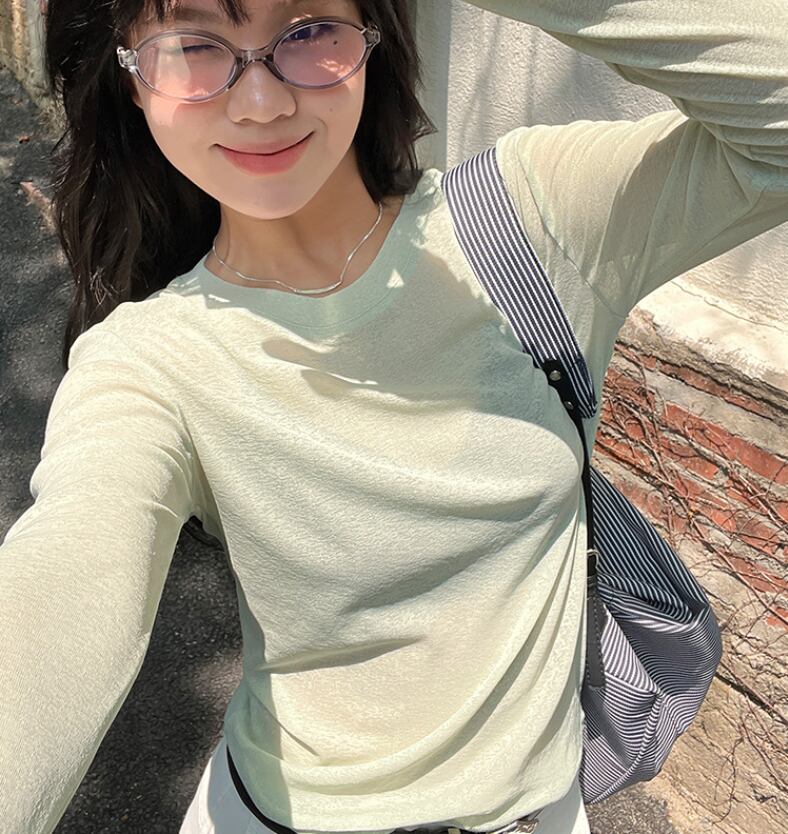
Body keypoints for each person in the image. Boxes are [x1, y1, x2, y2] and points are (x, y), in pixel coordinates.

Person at [1, 0, 786, 833]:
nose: (261, 103)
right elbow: (61, 584)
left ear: (372, 35)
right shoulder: (148, 360)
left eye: (309, 30)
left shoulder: (532, 223)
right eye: (194, 45)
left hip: (543, 813)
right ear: (130, 78)